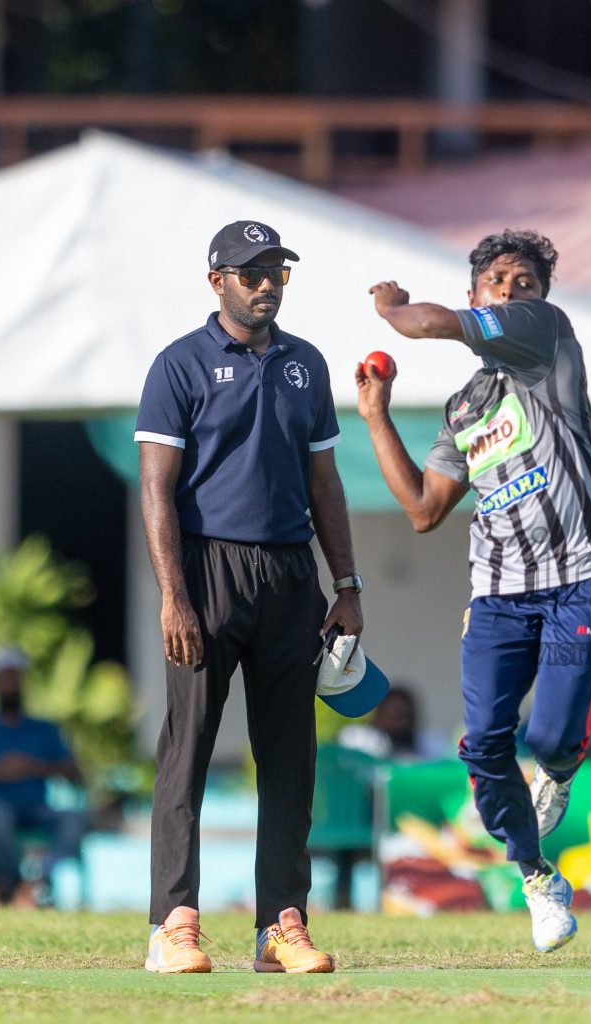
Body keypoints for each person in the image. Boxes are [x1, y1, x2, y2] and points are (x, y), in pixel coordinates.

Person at [360, 229, 591, 953]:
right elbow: (425, 509)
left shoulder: (545, 336)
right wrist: (375, 416)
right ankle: (538, 881)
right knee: (484, 743)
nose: (513, 289)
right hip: (500, 588)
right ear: (475, 293)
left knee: (549, 736)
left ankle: (557, 766)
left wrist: (393, 308)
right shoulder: (465, 408)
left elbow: (426, 323)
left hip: (585, 565)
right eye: (498, 280)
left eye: (526, 281)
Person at [134, 220, 363, 974]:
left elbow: (325, 483)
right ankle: (172, 926)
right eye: (251, 272)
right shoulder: (179, 365)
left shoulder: (307, 365)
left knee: (291, 757)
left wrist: (347, 585)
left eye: (277, 272)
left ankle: (279, 928)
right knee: (189, 751)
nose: (267, 284)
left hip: (290, 576)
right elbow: (157, 492)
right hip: (205, 573)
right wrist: (173, 596)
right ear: (218, 282)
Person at [0, 652, 87, 907]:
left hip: (37, 808)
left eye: (15, 679)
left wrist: (33, 767)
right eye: (4, 679)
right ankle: (8, 884)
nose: (10, 686)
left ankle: (37, 882)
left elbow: (75, 771)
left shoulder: (43, 728)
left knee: (74, 818)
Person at [336, 688, 453, 762]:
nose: (403, 723)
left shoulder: (431, 742)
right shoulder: (359, 739)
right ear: (378, 716)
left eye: (409, 716)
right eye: (397, 716)